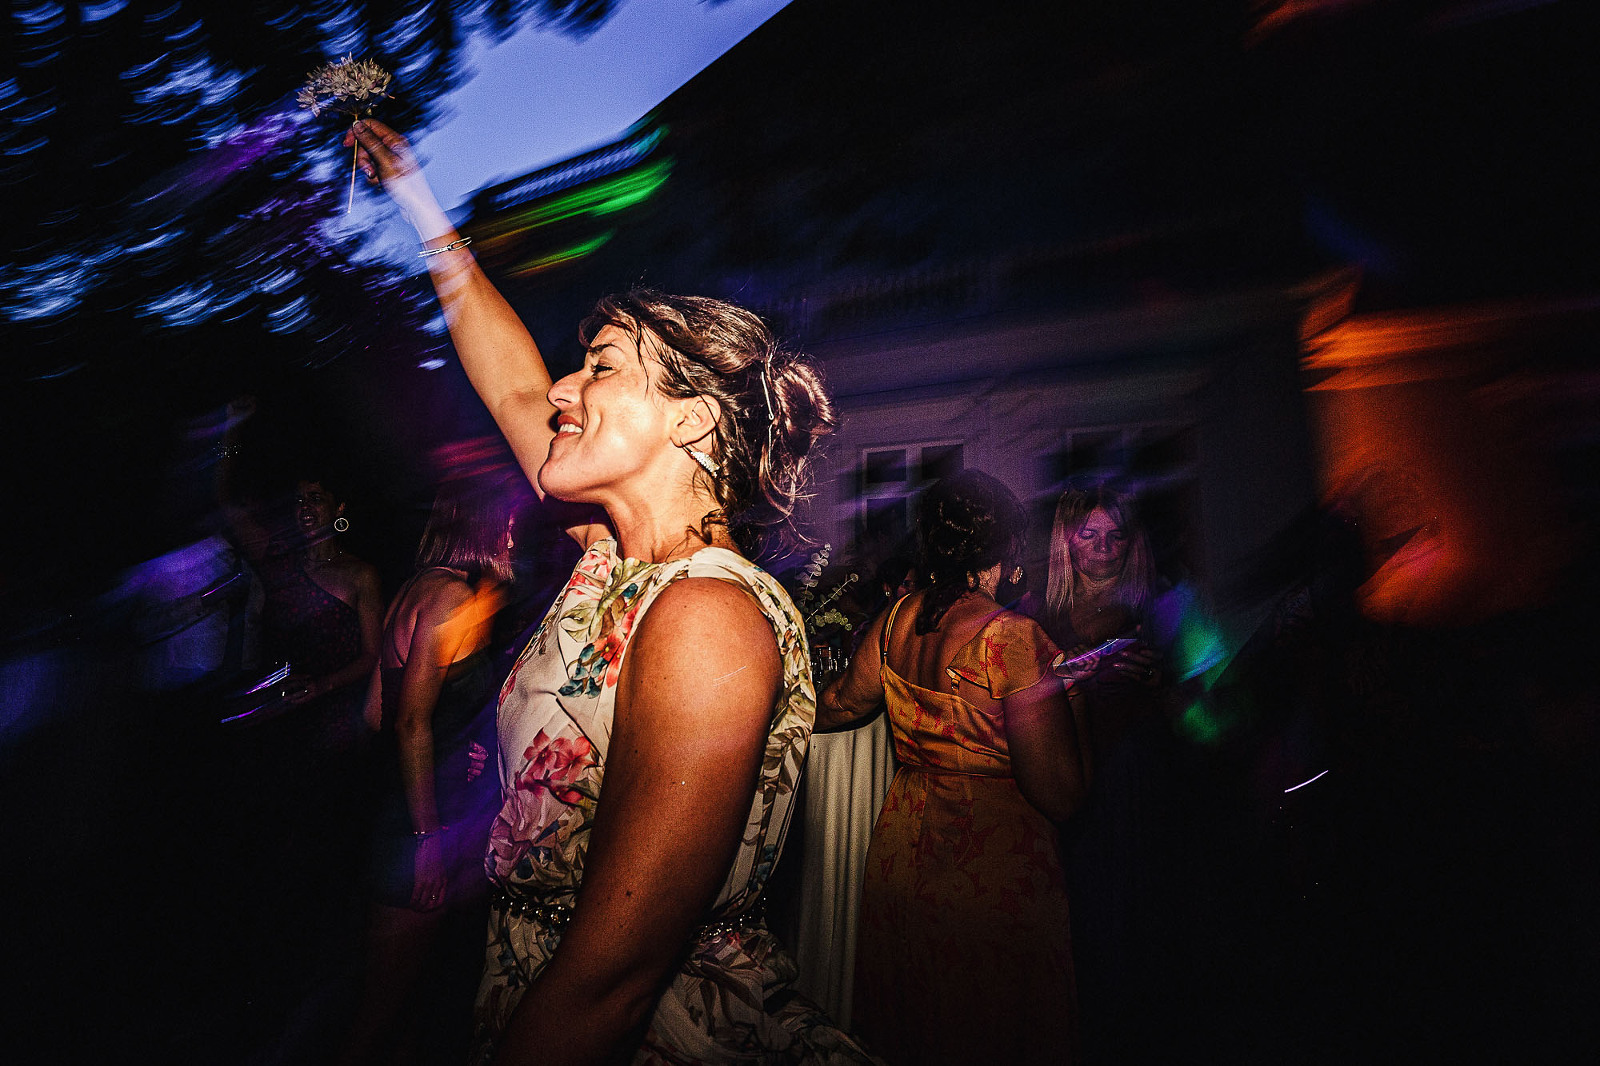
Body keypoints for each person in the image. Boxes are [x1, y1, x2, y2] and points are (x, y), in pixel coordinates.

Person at [348, 118, 878, 1065]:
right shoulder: (608, 560)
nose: (560, 388)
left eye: (599, 367)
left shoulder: (708, 616)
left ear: (695, 421)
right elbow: (511, 387)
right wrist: (420, 203)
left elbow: (614, 981)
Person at [817, 470, 1089, 1066]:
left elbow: (836, 704)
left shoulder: (894, 621)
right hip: (991, 863)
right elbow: (1059, 793)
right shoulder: (1013, 638)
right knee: (991, 1026)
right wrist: (1079, 702)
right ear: (1005, 548)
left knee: (918, 1022)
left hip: (905, 853)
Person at [1039, 481, 1223, 1062]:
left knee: (1146, 935)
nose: (1103, 547)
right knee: (1081, 934)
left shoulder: (1169, 604)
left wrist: (1162, 688)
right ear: (1065, 542)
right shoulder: (1036, 617)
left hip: (1145, 789)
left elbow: (1217, 709)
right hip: (1071, 790)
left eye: (1116, 535)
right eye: (1089, 534)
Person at [339, 476, 518, 1066]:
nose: (516, 534)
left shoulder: (417, 588)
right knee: (380, 1018)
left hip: (403, 812)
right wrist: (427, 840)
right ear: (487, 526)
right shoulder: (450, 600)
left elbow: (372, 714)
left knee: (404, 1011)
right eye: (510, 522)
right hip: (423, 828)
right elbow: (409, 722)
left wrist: (459, 742)